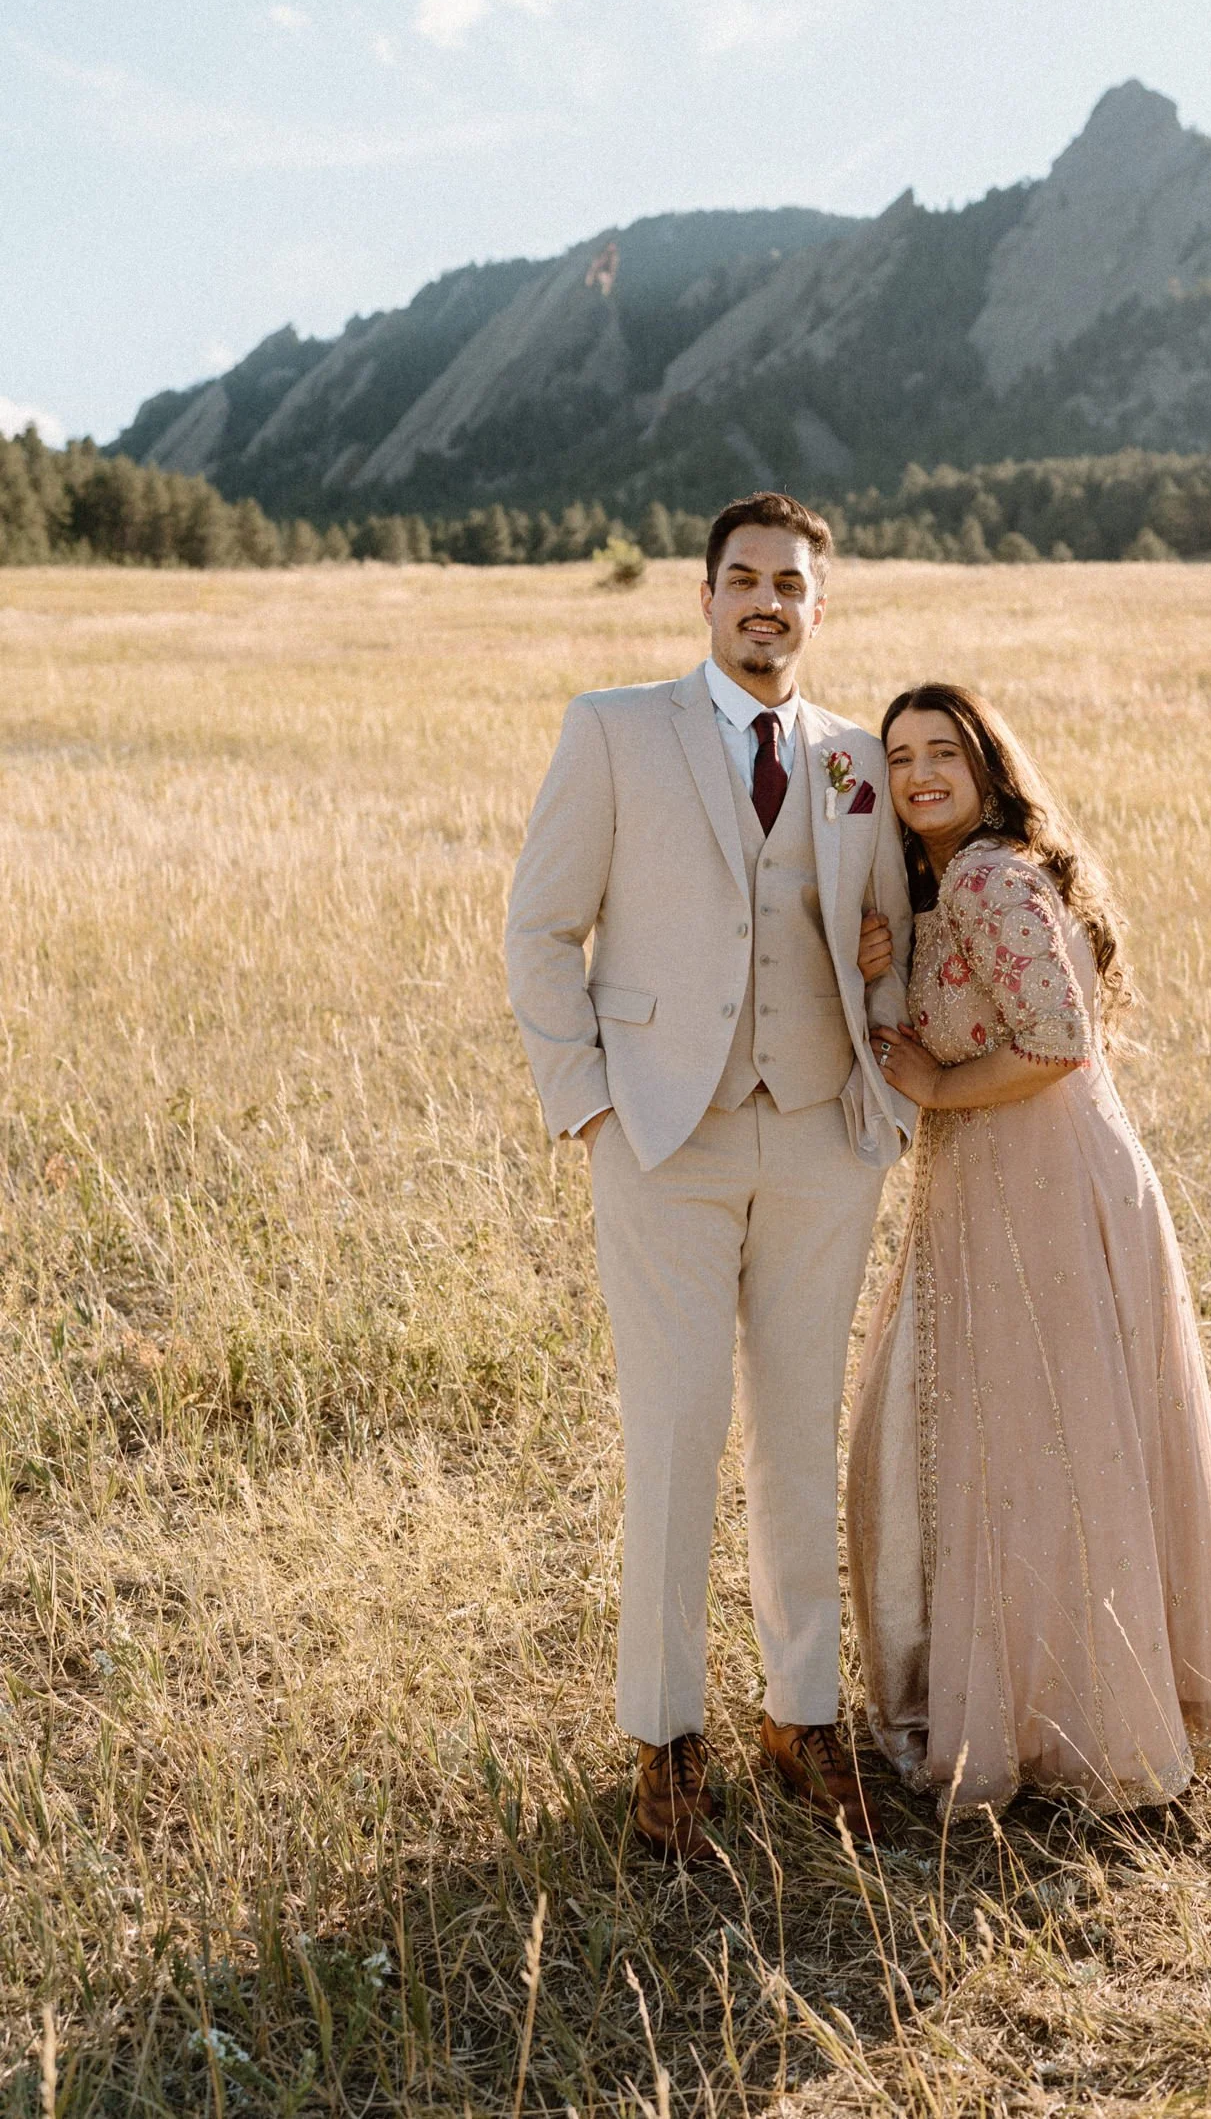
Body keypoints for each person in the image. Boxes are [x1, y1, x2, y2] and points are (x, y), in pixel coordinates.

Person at [505, 494, 913, 1860]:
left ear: (816, 607)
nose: (766, 605)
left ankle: (801, 1714)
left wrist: (881, 1064)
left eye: (790, 587)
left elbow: (893, 934)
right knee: (674, 1434)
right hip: (660, 1139)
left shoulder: (853, 759)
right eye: (742, 580)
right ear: (701, 597)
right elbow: (539, 926)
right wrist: (588, 1108)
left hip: (815, 1137)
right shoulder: (613, 730)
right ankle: (664, 1733)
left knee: (799, 1435)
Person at [848, 684, 1211, 1813]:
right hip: (1004, 1181)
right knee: (1029, 1440)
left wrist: (940, 1083)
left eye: (944, 751)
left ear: (989, 766)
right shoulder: (952, 883)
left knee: (1044, 1443)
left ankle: (1070, 1716)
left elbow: (1057, 1039)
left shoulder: (992, 876)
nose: (920, 774)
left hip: (1040, 1182)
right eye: (899, 758)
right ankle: (1048, 1692)